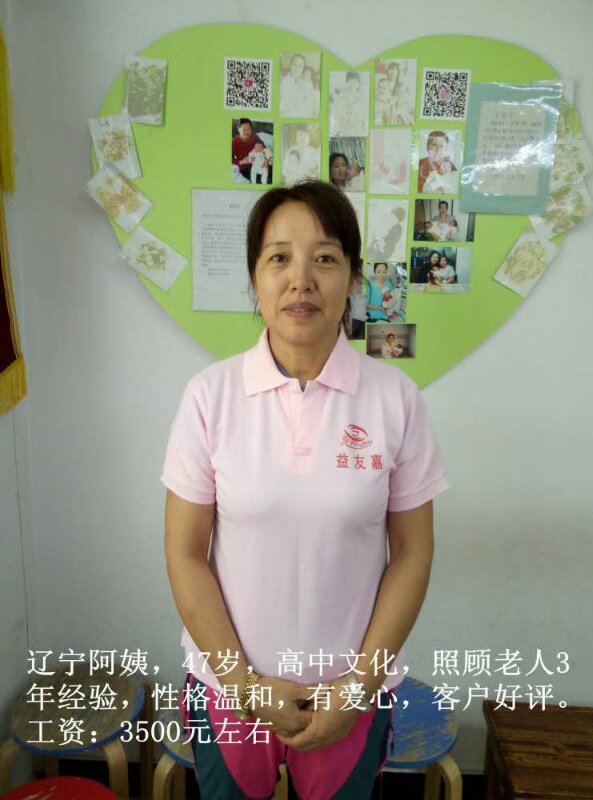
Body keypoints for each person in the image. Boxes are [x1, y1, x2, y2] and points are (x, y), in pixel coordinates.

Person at [162, 180, 448, 800]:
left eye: (324, 257)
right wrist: (244, 686)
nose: (301, 280)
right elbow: (185, 553)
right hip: (231, 690)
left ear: (353, 277)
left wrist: (359, 689)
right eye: (279, 258)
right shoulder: (209, 397)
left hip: (348, 695)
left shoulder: (395, 400)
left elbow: (413, 554)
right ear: (255, 278)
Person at [280, 53, 319, 117]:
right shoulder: (283, 82)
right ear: (290, 65)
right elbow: (283, 105)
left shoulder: (308, 83)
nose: (296, 68)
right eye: (294, 65)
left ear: (303, 68)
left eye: (300, 66)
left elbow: (312, 104)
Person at [232, 118, 263, 183]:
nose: (247, 132)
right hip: (245, 168)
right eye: (244, 130)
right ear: (238, 129)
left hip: (259, 162)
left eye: (249, 129)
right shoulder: (234, 142)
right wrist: (242, 162)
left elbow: (263, 147)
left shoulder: (254, 136)